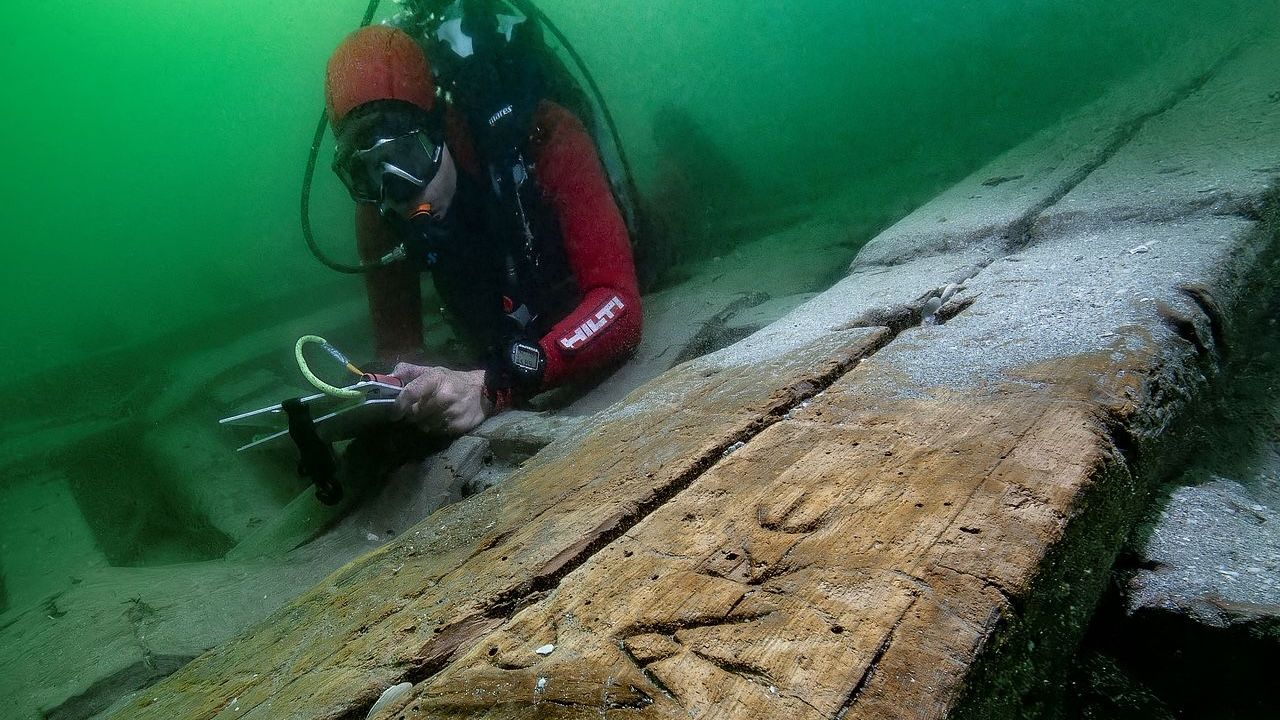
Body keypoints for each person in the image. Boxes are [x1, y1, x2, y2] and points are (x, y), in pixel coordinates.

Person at [324, 22, 642, 437]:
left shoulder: (543, 135)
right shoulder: (380, 210)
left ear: (439, 127)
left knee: (657, 241)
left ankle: (685, 163)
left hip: (573, 290)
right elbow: (398, 349)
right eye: (363, 172)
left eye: (406, 155)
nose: (396, 193)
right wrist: (390, 389)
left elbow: (619, 304)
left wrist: (497, 384)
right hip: (503, 324)